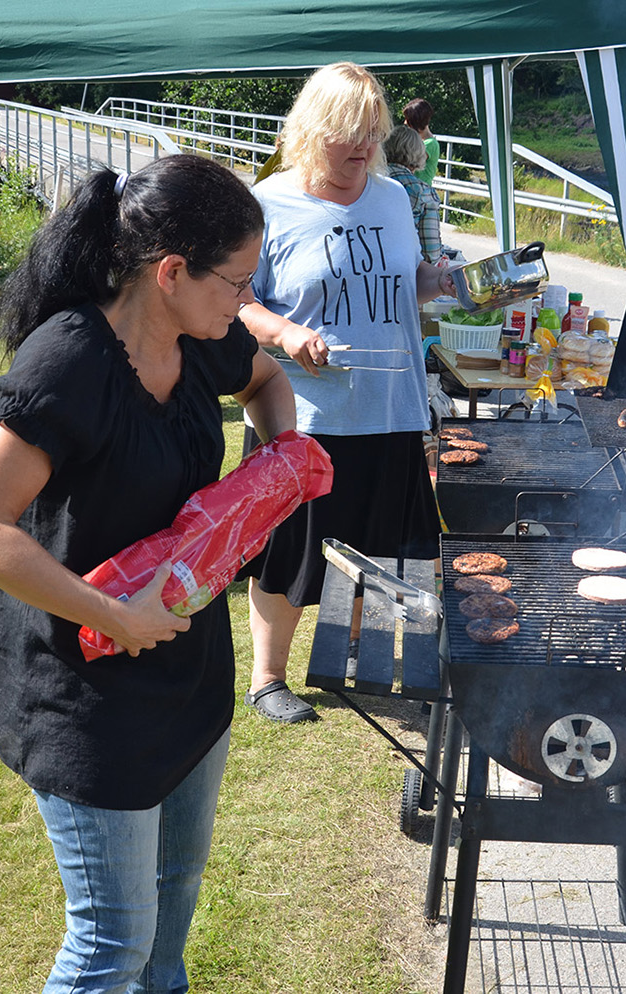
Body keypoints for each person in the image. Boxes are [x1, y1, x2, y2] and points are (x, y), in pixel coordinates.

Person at [0, 155, 296, 993]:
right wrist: (115, 611)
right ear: (170, 272)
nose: (245, 302)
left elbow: (270, 376)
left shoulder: (202, 341)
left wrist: (274, 471)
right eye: (236, 283)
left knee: (170, 918)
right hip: (87, 699)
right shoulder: (69, 362)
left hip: (189, 680)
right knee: (110, 947)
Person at [237, 62, 454, 723]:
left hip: (390, 407)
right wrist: (285, 333)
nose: (361, 148)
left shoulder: (390, 197)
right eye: (346, 134)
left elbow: (401, 284)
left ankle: (354, 657)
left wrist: (436, 282)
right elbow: (235, 298)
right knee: (291, 549)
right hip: (305, 412)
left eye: (371, 133)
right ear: (310, 130)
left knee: (379, 544)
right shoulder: (268, 204)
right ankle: (268, 677)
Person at [383, 124, 445, 263]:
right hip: (404, 270)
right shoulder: (424, 192)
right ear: (419, 153)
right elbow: (431, 254)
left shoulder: (366, 181)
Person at [402, 96, 440, 185]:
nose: (405, 122)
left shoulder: (430, 144)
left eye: (408, 120)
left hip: (421, 192)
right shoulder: (418, 141)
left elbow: (411, 165)